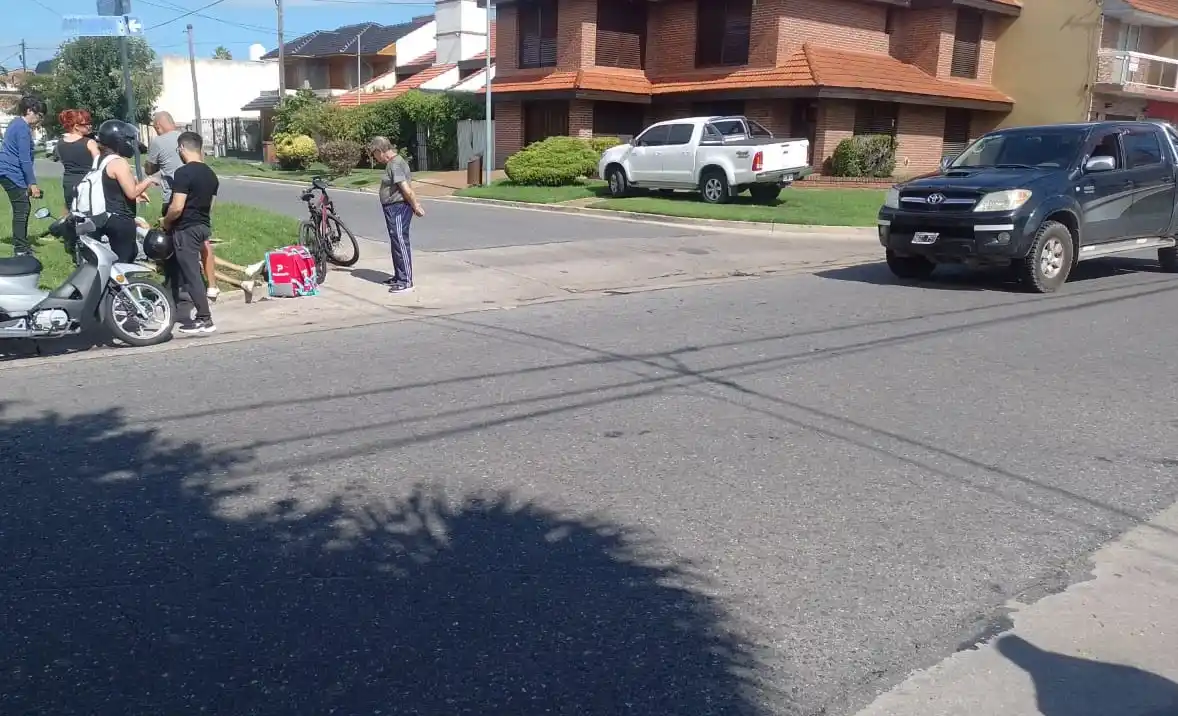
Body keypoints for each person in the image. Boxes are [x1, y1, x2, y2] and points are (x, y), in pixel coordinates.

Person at [147, 111, 219, 300]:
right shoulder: (190, 140)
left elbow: (149, 168)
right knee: (204, 242)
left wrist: (166, 221)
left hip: (175, 198)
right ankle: (212, 286)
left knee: (174, 245)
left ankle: (178, 287)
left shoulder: (158, 142)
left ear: (158, 126)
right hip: (200, 199)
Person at [162, 130, 218, 335]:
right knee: (194, 271)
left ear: (182, 148)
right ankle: (200, 314)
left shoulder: (183, 173)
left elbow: (177, 207)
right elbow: (211, 206)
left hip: (186, 228)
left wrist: (166, 222)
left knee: (192, 274)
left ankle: (205, 319)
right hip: (203, 226)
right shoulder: (211, 175)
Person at [368, 136, 425, 294]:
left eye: (374, 154)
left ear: (380, 151)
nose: (375, 158)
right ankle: (399, 276)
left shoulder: (395, 164)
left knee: (400, 242)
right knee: (396, 242)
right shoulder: (393, 163)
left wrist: (416, 205)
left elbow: (405, 188)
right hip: (393, 208)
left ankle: (406, 281)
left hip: (398, 207)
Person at [94, 120, 155, 263]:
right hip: (120, 219)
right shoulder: (119, 162)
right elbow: (131, 193)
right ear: (118, 141)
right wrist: (149, 180)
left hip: (105, 215)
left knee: (109, 259)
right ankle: (121, 285)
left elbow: (110, 185)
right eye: (127, 140)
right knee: (125, 259)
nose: (130, 144)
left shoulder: (99, 159)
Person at [0, 96, 47, 256]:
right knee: (22, 208)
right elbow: (24, 159)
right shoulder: (22, 128)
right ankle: (20, 249)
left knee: (22, 207)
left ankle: (22, 244)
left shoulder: (15, 124)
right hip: (11, 171)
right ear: (29, 111)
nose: (39, 120)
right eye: (39, 115)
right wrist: (32, 184)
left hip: (7, 170)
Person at [56, 109, 100, 220]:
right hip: (87, 183)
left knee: (73, 213)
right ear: (76, 126)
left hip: (69, 182)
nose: (89, 126)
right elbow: (99, 164)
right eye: (86, 124)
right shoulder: (89, 143)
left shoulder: (60, 143)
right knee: (89, 215)